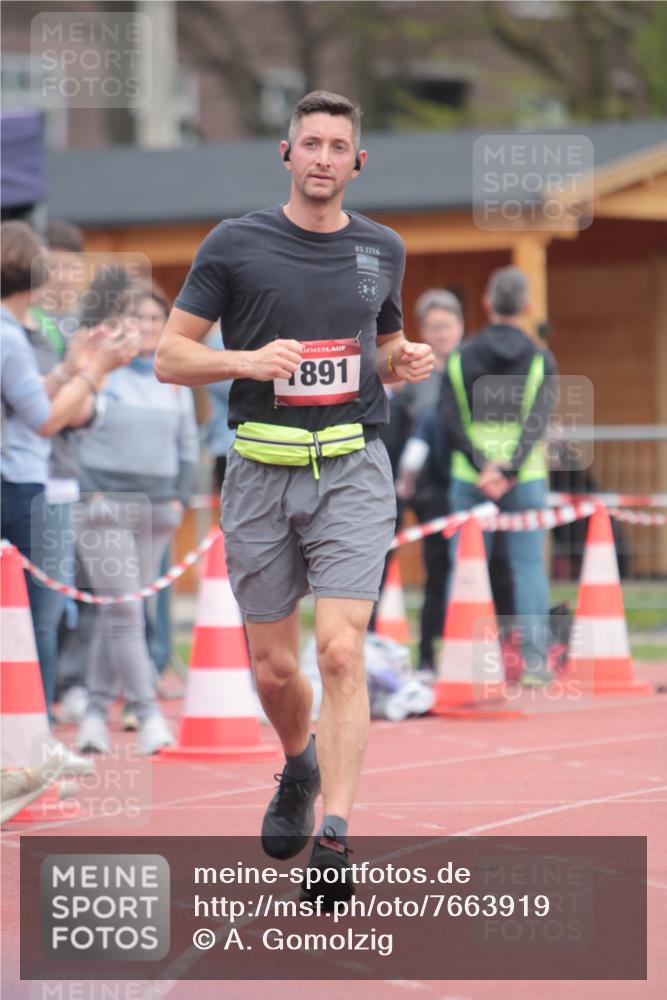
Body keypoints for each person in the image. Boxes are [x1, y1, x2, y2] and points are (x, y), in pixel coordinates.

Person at [155, 90, 433, 904]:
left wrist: (404, 358)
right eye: (307, 143)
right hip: (259, 471)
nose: (321, 157)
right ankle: (299, 764)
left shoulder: (382, 248)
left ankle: (337, 838)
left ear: (357, 162)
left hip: (351, 464)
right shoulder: (234, 244)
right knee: (275, 670)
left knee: (341, 650)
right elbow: (171, 357)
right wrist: (247, 363)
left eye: (335, 145)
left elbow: (378, 347)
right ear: (286, 154)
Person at [0, 221, 135, 774]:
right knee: (37, 617)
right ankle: (32, 745)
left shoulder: (12, 328)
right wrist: (97, 371)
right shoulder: (9, 334)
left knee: (35, 616)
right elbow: (45, 419)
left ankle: (31, 742)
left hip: (24, 480)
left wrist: (75, 366)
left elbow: (31, 395)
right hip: (22, 484)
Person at [75, 282, 199, 756]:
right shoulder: (101, 369)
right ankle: (147, 714)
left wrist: (179, 499)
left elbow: (187, 444)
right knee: (126, 610)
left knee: (122, 611)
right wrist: (93, 491)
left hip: (158, 510)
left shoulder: (174, 376)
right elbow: (74, 433)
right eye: (136, 319)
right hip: (103, 507)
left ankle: (92, 712)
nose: (146, 328)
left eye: (154, 319)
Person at [439, 266, 557, 684]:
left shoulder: (458, 357)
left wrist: (481, 466)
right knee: (528, 566)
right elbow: (537, 422)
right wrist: (508, 470)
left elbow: (448, 419)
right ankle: (535, 663)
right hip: (524, 477)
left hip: (469, 477)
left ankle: (467, 664)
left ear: (487, 304)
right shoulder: (541, 358)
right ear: (526, 306)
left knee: (467, 567)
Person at [395, 290, 464, 673]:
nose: (441, 334)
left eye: (447, 326)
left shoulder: (472, 368)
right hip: (428, 491)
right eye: (434, 328)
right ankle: (426, 655)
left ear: (460, 327)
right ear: (424, 331)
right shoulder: (414, 376)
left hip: (470, 483)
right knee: (436, 571)